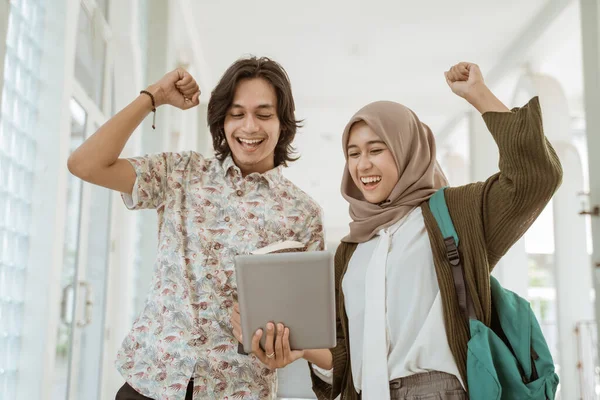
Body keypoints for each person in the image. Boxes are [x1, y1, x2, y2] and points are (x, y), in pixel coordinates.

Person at [67, 56, 325, 400]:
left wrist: (284, 351)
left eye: (264, 114)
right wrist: (153, 97)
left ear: (283, 124)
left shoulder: (303, 213)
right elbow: (85, 164)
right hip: (152, 382)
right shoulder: (181, 172)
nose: (249, 127)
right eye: (237, 113)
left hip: (239, 390)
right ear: (221, 120)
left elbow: (310, 330)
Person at [302, 62, 562, 399]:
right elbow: (345, 360)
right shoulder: (351, 249)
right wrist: (302, 350)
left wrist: (479, 95)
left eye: (376, 150)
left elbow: (534, 177)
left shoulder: (455, 212)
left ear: (408, 150)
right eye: (353, 154)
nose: (362, 165)